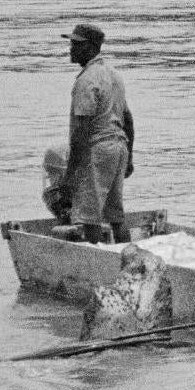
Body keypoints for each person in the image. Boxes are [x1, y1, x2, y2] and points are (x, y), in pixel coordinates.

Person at [64, 22, 135, 244]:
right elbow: (128, 121)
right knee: (116, 215)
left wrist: (71, 174)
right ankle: (129, 257)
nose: (71, 48)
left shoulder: (87, 80)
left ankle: (97, 261)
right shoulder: (114, 75)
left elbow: (81, 133)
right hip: (119, 147)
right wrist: (129, 157)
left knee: (90, 217)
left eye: (76, 44)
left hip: (99, 150)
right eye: (71, 43)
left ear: (91, 47)